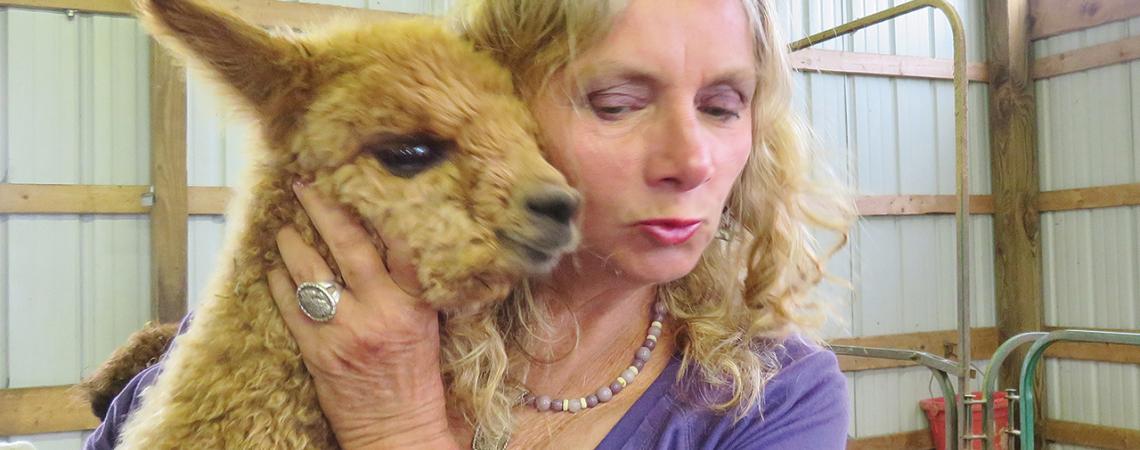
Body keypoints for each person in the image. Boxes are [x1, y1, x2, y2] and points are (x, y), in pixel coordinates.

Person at [87, 0, 853, 448]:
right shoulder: (306, 318)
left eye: (723, 106)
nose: (691, 159)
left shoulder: (770, 401)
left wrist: (399, 423)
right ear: (502, 106)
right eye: (616, 103)